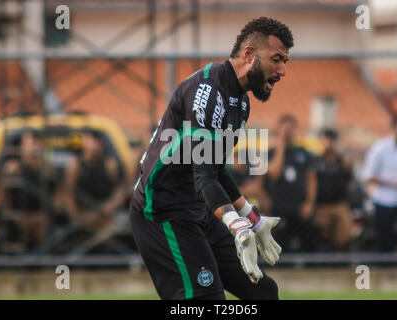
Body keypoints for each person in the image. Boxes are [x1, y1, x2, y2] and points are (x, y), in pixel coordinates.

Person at [129, 17, 293, 300]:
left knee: (264, 292)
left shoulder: (240, 101)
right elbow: (202, 173)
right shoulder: (208, 92)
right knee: (206, 301)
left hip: (199, 208)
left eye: (285, 61)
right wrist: (236, 223)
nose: (282, 70)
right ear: (249, 55)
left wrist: (251, 217)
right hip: (163, 211)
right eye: (277, 59)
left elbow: (215, 170)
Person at [265, 114, 320, 252]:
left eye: (291, 130)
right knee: (281, 241)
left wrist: (309, 203)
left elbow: (311, 179)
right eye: (285, 130)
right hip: (280, 207)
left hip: (301, 207)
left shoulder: (303, 153)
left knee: (309, 239)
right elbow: (275, 172)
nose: (288, 134)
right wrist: (281, 145)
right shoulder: (271, 153)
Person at [361, 115, 397, 252]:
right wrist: (391, 183)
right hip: (383, 199)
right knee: (385, 235)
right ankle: (385, 264)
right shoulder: (380, 148)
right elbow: (368, 176)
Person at [1, 130, 56, 252]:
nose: (33, 147)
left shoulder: (47, 168)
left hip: (41, 216)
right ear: (21, 147)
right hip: (19, 215)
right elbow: (4, 195)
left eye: (36, 143)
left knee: (42, 224)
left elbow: (56, 193)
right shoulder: (14, 168)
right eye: (29, 144)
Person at [64, 129, 126, 232]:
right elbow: (67, 193)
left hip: (105, 214)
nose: (94, 145)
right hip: (83, 214)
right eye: (91, 141)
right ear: (84, 142)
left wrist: (107, 209)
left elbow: (119, 192)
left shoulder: (110, 165)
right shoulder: (75, 166)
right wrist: (76, 216)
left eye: (97, 141)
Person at [313, 129, 354, 250]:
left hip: (339, 203)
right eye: (326, 140)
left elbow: (349, 181)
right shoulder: (316, 162)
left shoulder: (343, 161)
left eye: (331, 140)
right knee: (322, 231)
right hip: (322, 204)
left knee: (345, 234)